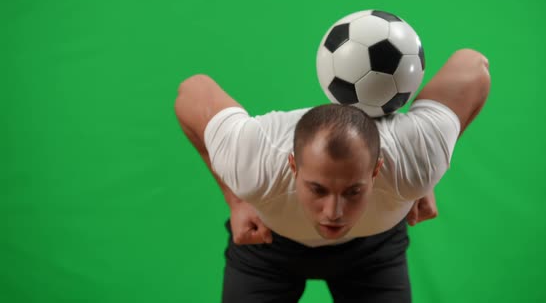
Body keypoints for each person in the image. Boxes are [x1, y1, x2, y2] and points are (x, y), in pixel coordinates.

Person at [174, 48, 490, 302]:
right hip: (268, 246)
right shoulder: (255, 158)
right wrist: (236, 200)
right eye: (318, 189)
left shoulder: (412, 159)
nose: (334, 212)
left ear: (377, 169)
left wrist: (427, 174)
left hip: (372, 250)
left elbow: (475, 65)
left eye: (353, 191)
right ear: (292, 165)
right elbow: (192, 91)